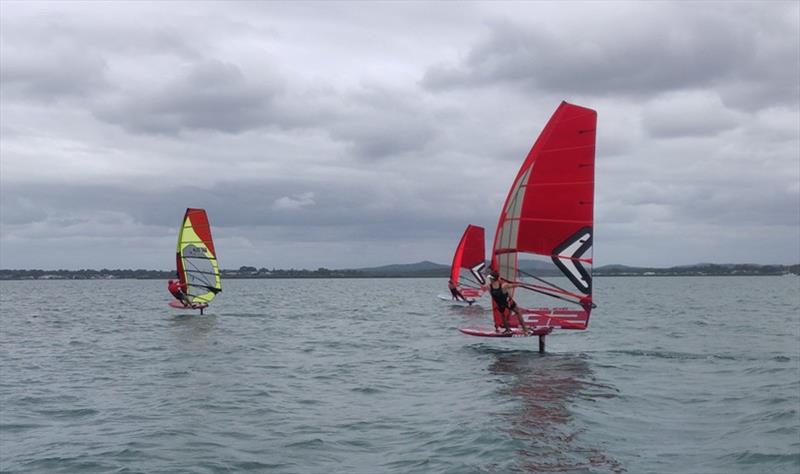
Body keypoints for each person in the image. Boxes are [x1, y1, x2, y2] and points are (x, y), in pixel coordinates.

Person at [487, 270, 530, 334]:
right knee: (518, 312)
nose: (489, 279)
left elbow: (493, 296)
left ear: (492, 279)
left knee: (503, 315)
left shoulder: (489, 287)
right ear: (497, 278)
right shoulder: (504, 285)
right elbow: (514, 285)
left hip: (499, 303)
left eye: (490, 278)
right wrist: (521, 284)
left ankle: (507, 330)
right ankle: (525, 329)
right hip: (508, 302)